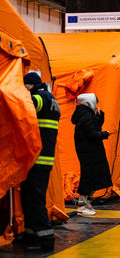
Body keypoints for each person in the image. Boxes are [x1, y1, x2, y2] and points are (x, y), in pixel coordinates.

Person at [20, 72, 60, 251]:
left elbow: (25, 107)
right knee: (30, 198)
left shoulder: (41, 97)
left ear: (31, 85)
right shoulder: (51, 99)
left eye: (25, 86)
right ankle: (31, 235)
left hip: (38, 159)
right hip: (42, 159)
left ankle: (46, 240)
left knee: (34, 199)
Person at [71, 93, 113, 216]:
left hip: (88, 151)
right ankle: (83, 205)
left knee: (93, 176)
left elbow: (92, 130)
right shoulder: (87, 116)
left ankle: (86, 203)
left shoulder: (85, 115)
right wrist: (105, 134)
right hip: (90, 151)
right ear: (90, 103)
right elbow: (92, 134)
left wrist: (99, 119)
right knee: (89, 176)